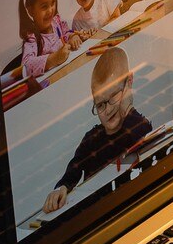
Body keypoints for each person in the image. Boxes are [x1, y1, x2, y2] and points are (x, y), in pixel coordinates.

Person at [41, 47, 155, 215]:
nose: (107, 110)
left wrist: (127, 104)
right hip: (96, 213)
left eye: (113, 97)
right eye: (100, 104)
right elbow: (73, 169)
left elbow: (131, 139)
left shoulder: (140, 125)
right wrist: (61, 188)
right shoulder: (91, 139)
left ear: (129, 82)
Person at [17, 0, 79, 90]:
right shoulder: (32, 38)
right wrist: (54, 58)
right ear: (30, 10)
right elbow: (25, 66)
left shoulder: (56, 21)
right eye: (44, 6)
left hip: (68, 75)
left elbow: (66, 33)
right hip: (52, 87)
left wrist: (72, 37)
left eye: (53, 3)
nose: (50, 10)